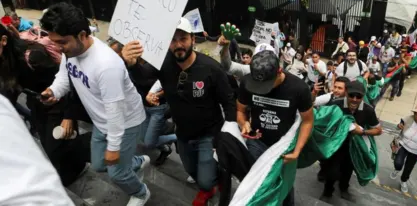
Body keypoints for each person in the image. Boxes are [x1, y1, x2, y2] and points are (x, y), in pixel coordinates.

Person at [39, 3, 150, 206]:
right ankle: (138, 161)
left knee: (117, 174)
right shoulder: (69, 52)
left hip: (125, 123)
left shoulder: (106, 65)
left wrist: (114, 147)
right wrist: (53, 91)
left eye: (62, 42)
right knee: (99, 165)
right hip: (101, 121)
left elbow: (115, 113)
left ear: (82, 35)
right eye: (54, 41)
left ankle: (141, 192)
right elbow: (64, 76)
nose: (57, 47)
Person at [142, 18, 236, 206]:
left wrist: (226, 138)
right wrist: (132, 63)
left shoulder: (211, 68)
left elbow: (228, 103)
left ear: (193, 40)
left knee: (205, 179)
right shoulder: (164, 65)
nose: (178, 45)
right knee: (191, 171)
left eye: (183, 39)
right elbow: (142, 76)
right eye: (173, 40)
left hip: (209, 136)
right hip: (182, 135)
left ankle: (217, 181)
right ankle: (207, 185)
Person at [0, 24, 91, 186]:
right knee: (48, 143)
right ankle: (74, 165)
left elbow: (68, 82)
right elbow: (9, 91)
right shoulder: (4, 59)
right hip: (36, 102)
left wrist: (69, 115)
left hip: (59, 102)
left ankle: (91, 150)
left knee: (54, 147)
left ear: (4, 40)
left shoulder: (33, 56)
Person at [237, 49, 314, 206]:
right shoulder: (246, 82)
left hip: (284, 146)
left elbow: (307, 121)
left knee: (283, 185)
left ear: (279, 72)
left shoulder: (298, 88)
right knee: (258, 183)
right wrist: (243, 123)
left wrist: (297, 151)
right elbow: (240, 110)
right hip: (257, 141)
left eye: (266, 85)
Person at [0, 94, 75, 205]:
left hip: (55, 104)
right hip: (36, 107)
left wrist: (69, 116)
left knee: (53, 148)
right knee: (48, 146)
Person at [321, 81, 382, 203]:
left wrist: (363, 132)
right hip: (335, 145)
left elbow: (378, 130)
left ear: (363, 96)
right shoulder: (336, 105)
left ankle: (344, 189)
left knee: (348, 170)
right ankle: (327, 192)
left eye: (358, 96)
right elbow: (323, 121)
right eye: (351, 95)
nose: (354, 99)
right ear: (346, 94)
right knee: (332, 171)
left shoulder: (368, 110)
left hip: (354, 147)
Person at [118, 40, 176, 166]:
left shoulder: (158, 65)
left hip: (158, 108)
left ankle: (178, 136)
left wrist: (156, 94)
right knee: (144, 138)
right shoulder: (130, 66)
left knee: (149, 143)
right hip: (143, 107)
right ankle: (165, 148)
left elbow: (170, 84)